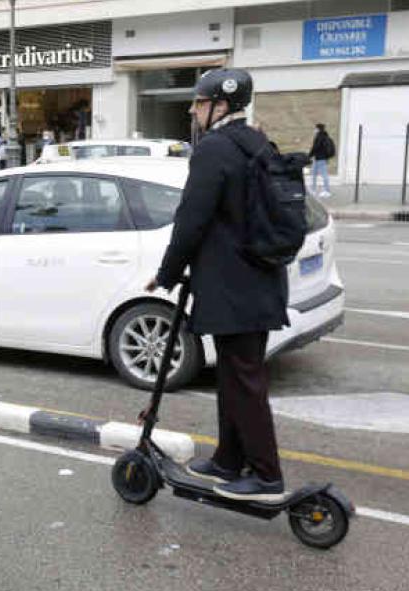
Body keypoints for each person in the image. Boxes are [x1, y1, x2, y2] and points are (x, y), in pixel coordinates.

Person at [146, 68, 289, 503]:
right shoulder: (256, 141)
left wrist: (168, 273)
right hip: (256, 281)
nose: (192, 110)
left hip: (235, 287)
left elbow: (193, 219)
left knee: (243, 380)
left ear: (220, 106)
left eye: (199, 102)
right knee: (232, 376)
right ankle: (228, 459)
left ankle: (266, 476)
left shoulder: (214, 149)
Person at [308, 123, 335, 198]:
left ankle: (327, 191)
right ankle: (313, 189)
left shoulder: (319, 137)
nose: (314, 130)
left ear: (318, 129)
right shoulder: (324, 136)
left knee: (324, 175)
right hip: (319, 159)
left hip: (320, 159)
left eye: (315, 128)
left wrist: (309, 156)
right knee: (313, 174)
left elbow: (315, 147)